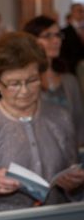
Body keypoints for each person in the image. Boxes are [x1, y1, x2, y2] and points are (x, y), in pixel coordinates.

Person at [0, 32, 84, 212]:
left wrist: (74, 184)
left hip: (57, 219)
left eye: (32, 80)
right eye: (14, 83)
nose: (24, 91)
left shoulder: (61, 117)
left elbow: (74, 181)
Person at [24, 15, 84, 147]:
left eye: (58, 35)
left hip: (69, 153)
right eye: (47, 36)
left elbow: (79, 123)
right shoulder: (23, 82)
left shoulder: (69, 80)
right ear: (31, 40)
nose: (56, 40)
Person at [60, 3, 84, 74]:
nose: (82, 13)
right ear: (72, 12)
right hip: (72, 68)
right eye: (79, 11)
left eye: (83, 11)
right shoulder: (64, 31)